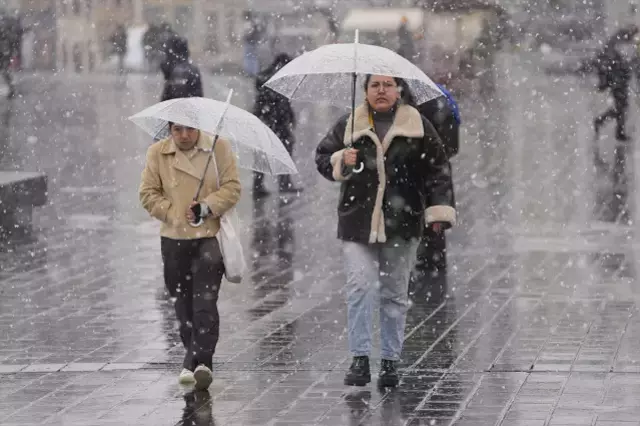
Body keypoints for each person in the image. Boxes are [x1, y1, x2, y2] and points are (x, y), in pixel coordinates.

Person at [315, 74, 456, 388]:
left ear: (398, 90)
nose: (381, 91)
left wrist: (437, 211)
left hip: (402, 222)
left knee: (394, 294)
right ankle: (360, 359)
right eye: (374, 85)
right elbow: (322, 157)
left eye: (387, 85)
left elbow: (438, 168)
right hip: (357, 221)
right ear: (365, 90)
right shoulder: (349, 124)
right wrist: (342, 160)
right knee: (359, 287)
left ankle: (391, 361)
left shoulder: (417, 125)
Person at [139, 122, 241, 390]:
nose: (184, 136)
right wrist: (173, 214)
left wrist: (206, 207)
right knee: (181, 304)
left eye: (190, 129)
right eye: (177, 130)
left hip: (208, 237)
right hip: (173, 240)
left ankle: (198, 362)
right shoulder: (156, 153)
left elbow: (232, 188)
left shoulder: (218, 147)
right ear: (170, 130)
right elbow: (147, 194)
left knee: (204, 302)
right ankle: (194, 357)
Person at [411, 85, 460, 291]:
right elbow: (453, 147)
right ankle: (433, 264)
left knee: (421, 219)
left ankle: (426, 264)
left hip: (422, 173)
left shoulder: (417, 108)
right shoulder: (444, 101)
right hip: (436, 173)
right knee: (435, 224)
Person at [252, 53, 301, 196]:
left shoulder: (268, 75)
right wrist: (286, 117)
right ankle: (283, 183)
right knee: (283, 149)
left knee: (264, 152)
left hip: (266, 119)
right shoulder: (278, 77)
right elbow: (279, 101)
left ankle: (259, 184)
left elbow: (278, 101)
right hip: (274, 120)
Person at [160, 36, 203, 101]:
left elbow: (173, 97)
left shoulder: (177, 72)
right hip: (192, 106)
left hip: (180, 107)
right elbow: (199, 95)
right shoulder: (192, 69)